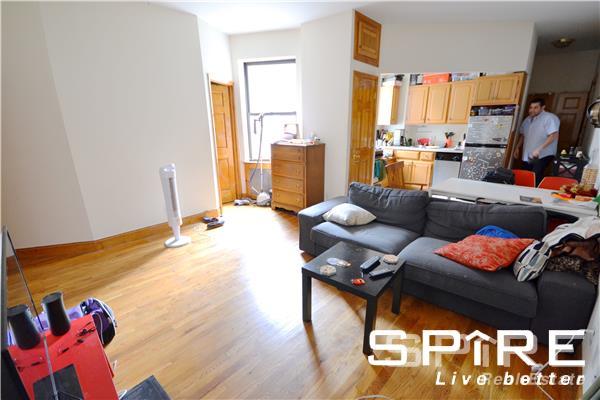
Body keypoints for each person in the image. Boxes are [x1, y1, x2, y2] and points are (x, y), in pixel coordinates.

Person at [513, 98, 560, 186]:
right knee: (525, 177)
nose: (532, 110)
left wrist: (539, 149)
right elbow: (523, 135)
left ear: (543, 107)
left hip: (543, 154)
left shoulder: (549, 118)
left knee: (535, 177)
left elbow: (553, 136)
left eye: (535, 107)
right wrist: (517, 147)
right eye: (531, 107)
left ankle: (534, 193)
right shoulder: (527, 120)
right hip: (528, 154)